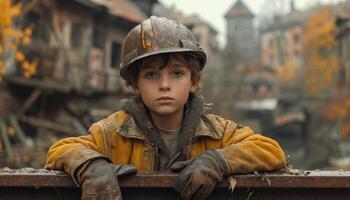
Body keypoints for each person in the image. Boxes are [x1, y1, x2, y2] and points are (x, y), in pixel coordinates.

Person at [45, 16, 286, 200]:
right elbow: (61, 150)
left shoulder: (217, 132)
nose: (164, 85)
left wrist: (219, 161)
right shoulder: (112, 133)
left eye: (177, 73)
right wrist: (92, 166)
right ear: (134, 83)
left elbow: (271, 151)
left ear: (193, 80)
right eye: (151, 74)